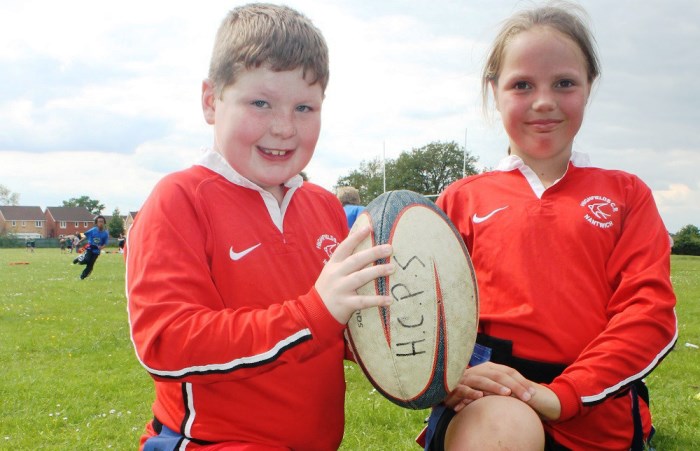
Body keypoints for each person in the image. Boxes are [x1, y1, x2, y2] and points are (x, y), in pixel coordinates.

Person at [125, 4, 394, 450]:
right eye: (261, 103)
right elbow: (167, 343)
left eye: (304, 107)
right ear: (212, 101)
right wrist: (313, 315)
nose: (284, 127)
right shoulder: (179, 199)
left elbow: (341, 326)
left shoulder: (325, 206)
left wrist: (433, 361)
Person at [422, 3, 678, 450]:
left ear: (588, 87)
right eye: (522, 84)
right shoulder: (461, 199)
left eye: (564, 83)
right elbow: (421, 311)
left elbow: (649, 313)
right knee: (502, 432)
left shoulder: (626, 194)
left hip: (596, 408)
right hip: (491, 397)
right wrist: (447, 376)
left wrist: (563, 395)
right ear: (494, 91)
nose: (544, 101)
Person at [73, 215, 109, 280]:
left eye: (102, 222)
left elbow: (105, 243)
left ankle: (82, 277)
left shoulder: (105, 233)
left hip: (96, 251)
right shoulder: (93, 230)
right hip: (90, 248)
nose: (101, 223)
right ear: (97, 223)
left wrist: (101, 247)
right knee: (86, 260)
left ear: (104, 223)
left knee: (90, 265)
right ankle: (79, 258)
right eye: (99, 222)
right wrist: (79, 241)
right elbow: (85, 235)